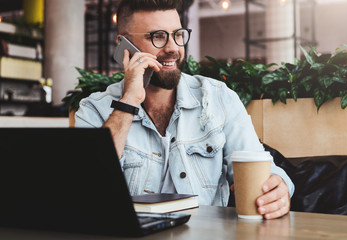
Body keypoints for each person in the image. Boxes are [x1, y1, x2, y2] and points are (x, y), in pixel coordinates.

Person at [75, 0, 294, 219]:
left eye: (178, 34)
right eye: (158, 36)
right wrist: (129, 100)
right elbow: (84, 187)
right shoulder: (94, 110)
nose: (173, 48)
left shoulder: (219, 98)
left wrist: (279, 188)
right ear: (123, 44)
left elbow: (261, 169)